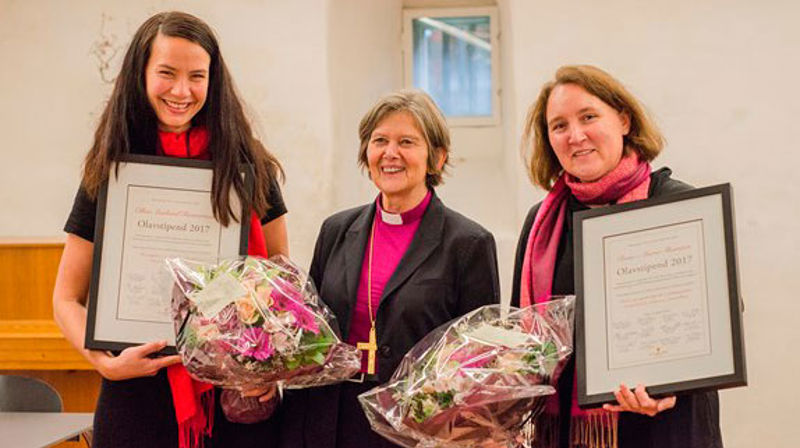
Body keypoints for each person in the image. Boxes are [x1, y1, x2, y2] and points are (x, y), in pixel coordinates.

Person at [52, 11, 287, 448]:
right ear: (140, 75)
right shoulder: (110, 172)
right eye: (167, 73)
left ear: (213, 81)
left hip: (237, 398)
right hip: (135, 395)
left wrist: (270, 370)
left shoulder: (249, 168)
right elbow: (65, 297)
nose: (182, 90)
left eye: (197, 76)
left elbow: (280, 283)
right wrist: (104, 363)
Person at [511, 64, 722, 448]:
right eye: (558, 125)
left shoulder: (674, 204)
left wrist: (670, 381)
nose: (575, 136)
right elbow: (519, 333)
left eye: (588, 117)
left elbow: (720, 317)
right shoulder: (541, 222)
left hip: (663, 429)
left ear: (623, 119)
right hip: (563, 436)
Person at [277, 90, 500, 448]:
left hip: (410, 428)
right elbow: (311, 331)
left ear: (436, 158)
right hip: (325, 418)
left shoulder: (468, 243)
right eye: (380, 140)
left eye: (407, 142)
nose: (390, 153)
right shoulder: (335, 230)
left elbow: (476, 360)